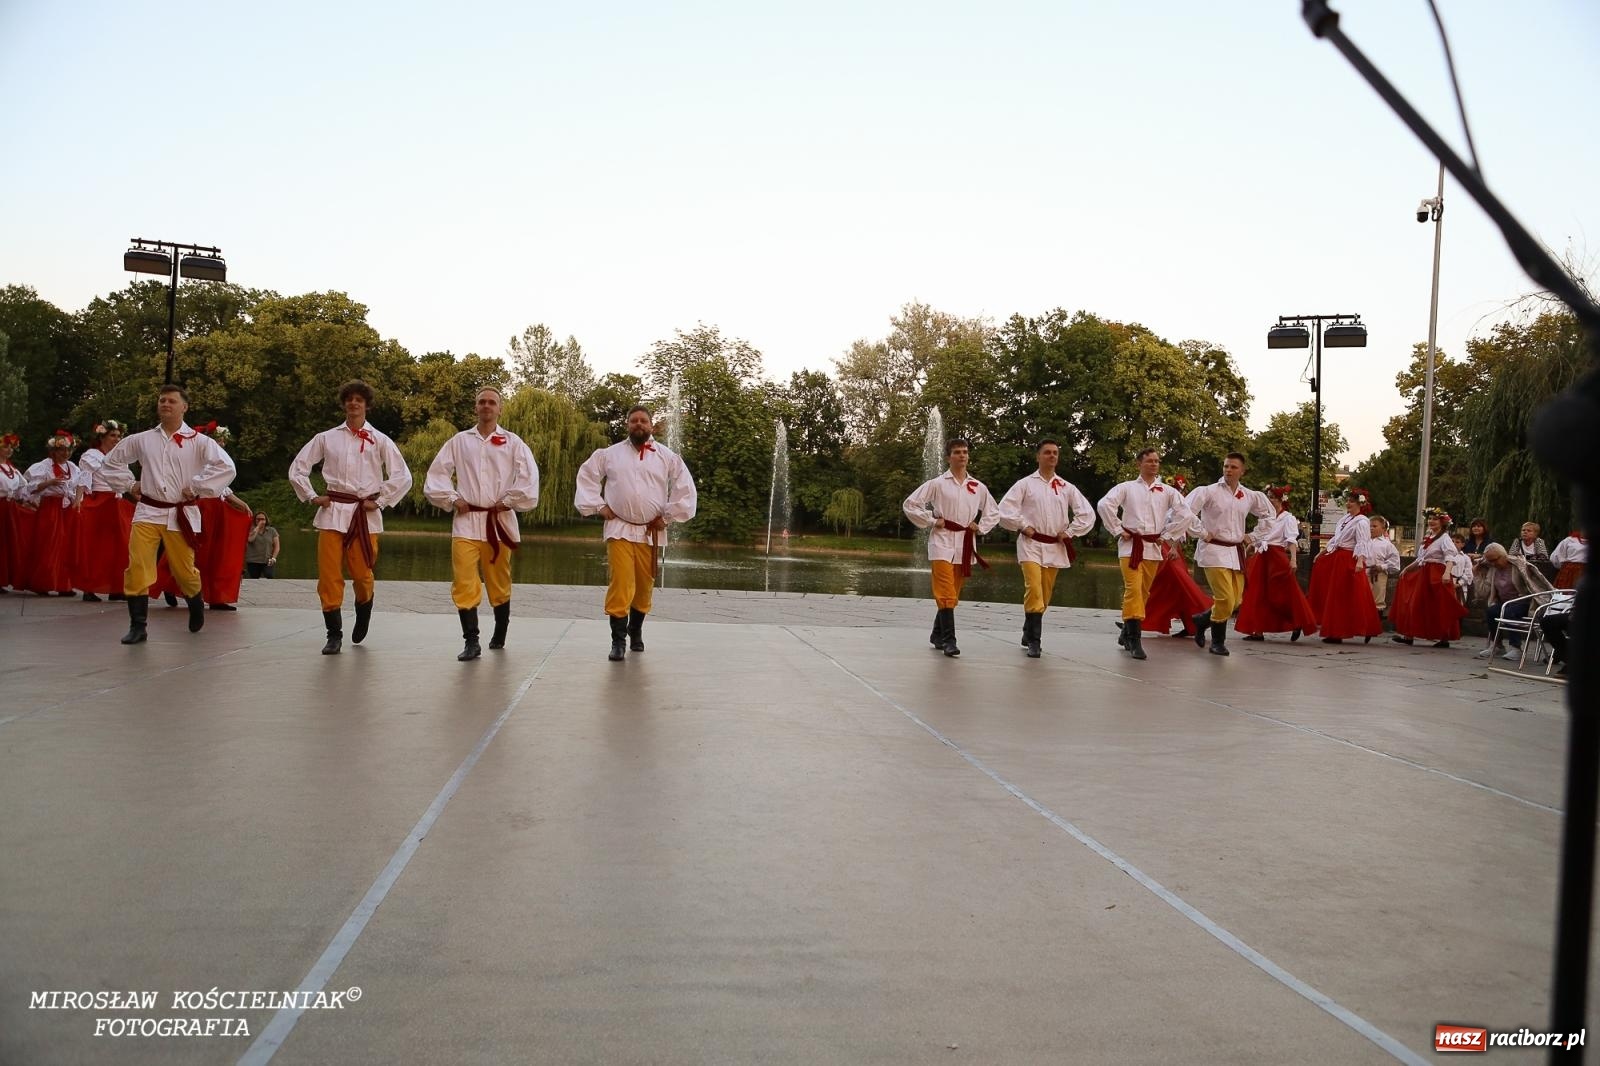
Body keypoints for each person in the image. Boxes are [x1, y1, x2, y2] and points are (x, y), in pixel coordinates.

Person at [97, 384, 237, 643]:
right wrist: (129, 484)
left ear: (184, 407)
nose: (165, 404)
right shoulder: (142, 439)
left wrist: (197, 487)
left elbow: (226, 468)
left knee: (184, 570)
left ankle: (195, 602)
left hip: (179, 514)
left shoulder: (200, 442)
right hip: (148, 511)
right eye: (162, 400)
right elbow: (110, 463)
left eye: (172, 401)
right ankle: (138, 626)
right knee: (138, 566)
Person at [291, 382, 414, 654]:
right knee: (329, 575)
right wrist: (312, 496)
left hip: (363, 514)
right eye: (349, 399)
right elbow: (298, 468)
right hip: (333, 511)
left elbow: (403, 476)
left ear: (366, 405)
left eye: (359, 400)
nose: (354, 404)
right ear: (344, 403)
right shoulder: (326, 438)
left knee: (361, 573)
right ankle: (333, 634)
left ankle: (364, 607)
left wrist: (380, 501)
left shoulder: (380, 439)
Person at [574, 404, 697, 662]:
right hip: (619, 527)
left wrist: (668, 516)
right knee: (621, 582)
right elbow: (587, 475)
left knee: (644, 585)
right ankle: (617, 641)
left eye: (643, 421)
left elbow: (685, 488)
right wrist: (598, 505)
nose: (638, 424)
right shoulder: (610, 454)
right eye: (633, 421)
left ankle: (636, 631)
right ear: (627, 425)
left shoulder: (666, 456)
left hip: (649, 532)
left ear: (651, 426)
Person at [425, 387, 540, 661]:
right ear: (475, 407)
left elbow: (529, 477)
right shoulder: (459, 441)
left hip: (498, 523)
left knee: (498, 581)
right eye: (482, 402)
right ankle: (471, 640)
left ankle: (500, 629)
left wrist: (510, 500)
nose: (487, 406)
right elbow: (437, 474)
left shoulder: (513, 442)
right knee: (464, 580)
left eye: (492, 402)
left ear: (499, 409)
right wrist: (452, 498)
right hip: (466, 523)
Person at [994, 439, 1095, 659]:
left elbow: (1087, 514)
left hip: (1054, 546)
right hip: (1031, 544)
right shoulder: (1025, 484)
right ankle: (1035, 641)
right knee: (1034, 588)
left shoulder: (1066, 487)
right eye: (1047, 452)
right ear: (1037, 456)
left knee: (1045, 594)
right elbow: (1003, 510)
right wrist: (1022, 525)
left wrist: (1069, 532)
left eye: (1055, 453)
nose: (1051, 456)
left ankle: (1028, 629)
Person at [902, 438, 1002, 657]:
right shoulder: (937, 484)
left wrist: (980, 526)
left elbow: (994, 512)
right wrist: (931, 520)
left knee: (954, 593)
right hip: (942, 541)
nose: (962, 455)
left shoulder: (977, 487)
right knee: (946, 591)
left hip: (965, 543)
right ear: (948, 457)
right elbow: (910, 504)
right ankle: (949, 640)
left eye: (965, 452)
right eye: (957, 452)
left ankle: (937, 634)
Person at [1096, 447, 1193, 661]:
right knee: (1133, 589)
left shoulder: (1168, 491)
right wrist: (1118, 529)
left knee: (1144, 592)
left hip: (1152, 548)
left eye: (1157, 461)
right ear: (1139, 464)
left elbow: (1185, 513)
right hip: (1131, 546)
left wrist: (1168, 534)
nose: (1154, 464)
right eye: (1149, 461)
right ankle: (1135, 638)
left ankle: (1125, 633)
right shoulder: (1127, 488)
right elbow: (1104, 504)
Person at [1181, 452, 1275, 656]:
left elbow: (1269, 516)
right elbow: (1183, 511)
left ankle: (1202, 620)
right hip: (1213, 550)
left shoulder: (1249, 495)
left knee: (1236, 601)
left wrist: (1253, 536)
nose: (1228, 470)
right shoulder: (1208, 491)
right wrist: (1202, 532)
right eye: (1226, 466)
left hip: (1235, 551)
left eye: (1233, 467)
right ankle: (1218, 642)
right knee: (1224, 598)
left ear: (1242, 470)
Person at [1237, 485, 1318, 642]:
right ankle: (1258, 630)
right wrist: (1252, 543)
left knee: (1283, 594)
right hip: (1263, 556)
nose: (1269, 500)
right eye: (1268, 497)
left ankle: (1297, 622)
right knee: (1257, 592)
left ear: (1281, 500)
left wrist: (1293, 559)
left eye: (1272, 497)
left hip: (1276, 556)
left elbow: (1291, 540)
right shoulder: (1266, 517)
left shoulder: (1288, 518)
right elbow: (1260, 536)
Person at [1307, 487, 1382, 644]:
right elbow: (1336, 538)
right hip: (1338, 556)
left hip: (1349, 558)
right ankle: (1333, 628)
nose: (1349, 503)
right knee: (1331, 587)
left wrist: (1361, 560)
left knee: (1347, 595)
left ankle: (1346, 630)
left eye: (1352, 501)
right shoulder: (1344, 519)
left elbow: (1362, 541)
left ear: (1360, 504)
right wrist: (1323, 551)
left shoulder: (1362, 521)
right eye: (1348, 500)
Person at [1389, 507, 1470, 648]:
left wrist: (1446, 573)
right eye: (1430, 519)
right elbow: (1421, 558)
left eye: (1435, 519)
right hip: (1425, 572)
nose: (1431, 521)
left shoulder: (1445, 538)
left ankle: (1444, 638)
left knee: (1440, 605)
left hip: (1437, 573)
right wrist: (1408, 568)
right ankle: (1409, 635)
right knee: (1415, 603)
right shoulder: (1429, 537)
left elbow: (1450, 557)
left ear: (1442, 522)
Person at [22, 430, 84, 596]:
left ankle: (64, 584)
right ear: (53, 451)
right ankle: (43, 582)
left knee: (66, 545)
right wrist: (49, 482)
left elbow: (81, 484)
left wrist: (77, 500)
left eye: (69, 450)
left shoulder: (73, 467)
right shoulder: (44, 466)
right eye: (62, 450)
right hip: (51, 507)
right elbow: (31, 487)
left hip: (66, 508)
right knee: (49, 544)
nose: (66, 453)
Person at [1473, 543, 1555, 661]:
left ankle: (1516, 648)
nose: (1493, 563)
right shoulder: (1492, 570)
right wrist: (1476, 575)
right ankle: (1497, 645)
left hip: (1524, 602)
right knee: (1491, 611)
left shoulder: (1518, 566)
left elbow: (1535, 582)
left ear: (1503, 556)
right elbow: (1483, 593)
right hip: (1505, 602)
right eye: (1490, 561)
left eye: (1494, 560)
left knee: (1509, 611)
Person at [0, 432, 33, 593]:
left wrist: (30, 501)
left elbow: (23, 488)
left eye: (10, 447)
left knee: (8, 542)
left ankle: (4, 579)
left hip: (10, 508)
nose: (9, 450)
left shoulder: (11, 468)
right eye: (5, 447)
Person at [1365, 516, 1402, 615]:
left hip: (1378, 574)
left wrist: (1382, 567)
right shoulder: (1362, 541)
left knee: (1377, 600)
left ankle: (1376, 622)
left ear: (1383, 529)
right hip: (1361, 572)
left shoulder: (1387, 545)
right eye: (1369, 526)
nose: (1371, 528)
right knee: (1361, 598)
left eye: (1374, 526)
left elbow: (1395, 564)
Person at [245, 511, 280, 578]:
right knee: (254, 579)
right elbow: (250, 539)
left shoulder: (272, 530)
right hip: (253, 561)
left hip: (267, 560)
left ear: (266, 520)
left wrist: (273, 558)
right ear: (255, 520)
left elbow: (277, 546)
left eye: (262, 519)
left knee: (269, 576)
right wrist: (258, 527)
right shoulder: (251, 529)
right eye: (258, 519)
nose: (260, 521)